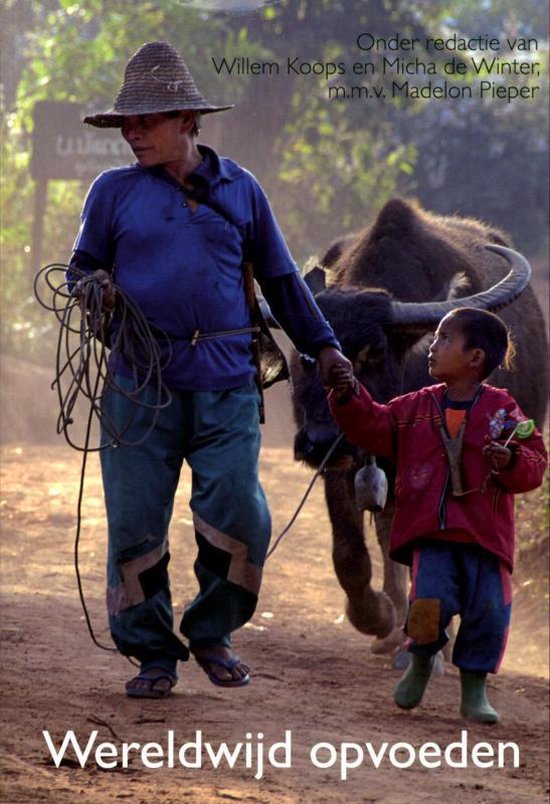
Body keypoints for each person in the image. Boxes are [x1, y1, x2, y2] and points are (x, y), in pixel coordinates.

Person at [70, 41, 352, 698]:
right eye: (127, 125)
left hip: (226, 379)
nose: (133, 134)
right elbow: (81, 269)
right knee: (136, 519)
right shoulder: (112, 193)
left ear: (188, 121)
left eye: (146, 121)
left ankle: (210, 630)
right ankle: (151, 653)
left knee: (238, 507)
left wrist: (326, 345)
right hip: (138, 382)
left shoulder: (241, 189)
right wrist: (95, 289)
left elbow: (282, 279)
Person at [327, 307, 547, 723]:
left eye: (445, 339)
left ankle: (474, 691)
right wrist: (347, 395)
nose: (433, 345)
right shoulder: (413, 407)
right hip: (432, 534)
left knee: (488, 613)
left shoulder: (504, 412)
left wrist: (511, 458)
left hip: (486, 539)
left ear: (475, 358)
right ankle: (421, 664)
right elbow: (373, 425)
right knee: (427, 606)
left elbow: (535, 457)